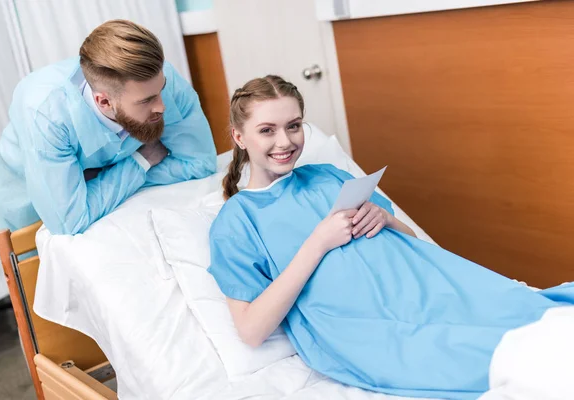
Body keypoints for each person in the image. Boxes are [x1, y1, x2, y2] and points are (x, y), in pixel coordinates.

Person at [207, 76, 574, 399]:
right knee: (524, 356)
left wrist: (383, 217)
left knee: (538, 316)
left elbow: (410, 239)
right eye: (267, 130)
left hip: (423, 288)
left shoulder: (328, 176)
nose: (285, 141)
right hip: (363, 326)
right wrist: (318, 242)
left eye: (295, 126)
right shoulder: (237, 220)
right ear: (239, 137)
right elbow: (252, 330)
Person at [0, 20, 216, 235]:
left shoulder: (155, 79)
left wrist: (98, 189)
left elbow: (200, 163)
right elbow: (70, 221)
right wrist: (143, 160)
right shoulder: (45, 114)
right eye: (147, 101)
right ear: (104, 102)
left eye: (162, 90)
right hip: (27, 210)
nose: (163, 106)